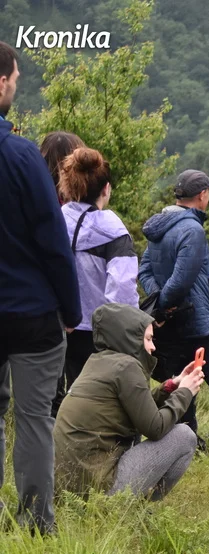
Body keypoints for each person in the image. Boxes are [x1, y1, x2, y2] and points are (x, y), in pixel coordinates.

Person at [0, 42, 81, 533]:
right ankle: (35, 524)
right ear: (1, 83)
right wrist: (71, 310)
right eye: (15, 79)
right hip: (30, 312)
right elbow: (53, 242)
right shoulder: (21, 155)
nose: (15, 86)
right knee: (33, 418)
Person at [140, 169, 209, 465]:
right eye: (208, 193)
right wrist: (164, 304)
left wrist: (159, 305)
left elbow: (145, 269)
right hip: (197, 323)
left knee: (184, 384)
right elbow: (181, 281)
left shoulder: (160, 225)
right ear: (202, 195)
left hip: (171, 326)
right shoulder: (192, 229)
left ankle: (188, 448)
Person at [54, 304, 203, 500]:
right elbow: (155, 427)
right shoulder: (127, 366)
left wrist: (171, 386)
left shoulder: (98, 362)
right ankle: (137, 509)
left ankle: (121, 507)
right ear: (131, 339)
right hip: (98, 486)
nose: (153, 346)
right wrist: (185, 392)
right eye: (148, 339)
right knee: (184, 436)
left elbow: (137, 406)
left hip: (67, 488)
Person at [59, 147, 139, 389]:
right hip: (99, 332)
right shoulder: (113, 229)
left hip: (60, 326)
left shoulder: (56, 220)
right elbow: (123, 288)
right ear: (106, 188)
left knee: (66, 394)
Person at [39, 130, 86, 416]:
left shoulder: (34, 195)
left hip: (38, 298)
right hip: (71, 300)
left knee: (48, 380)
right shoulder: (76, 206)